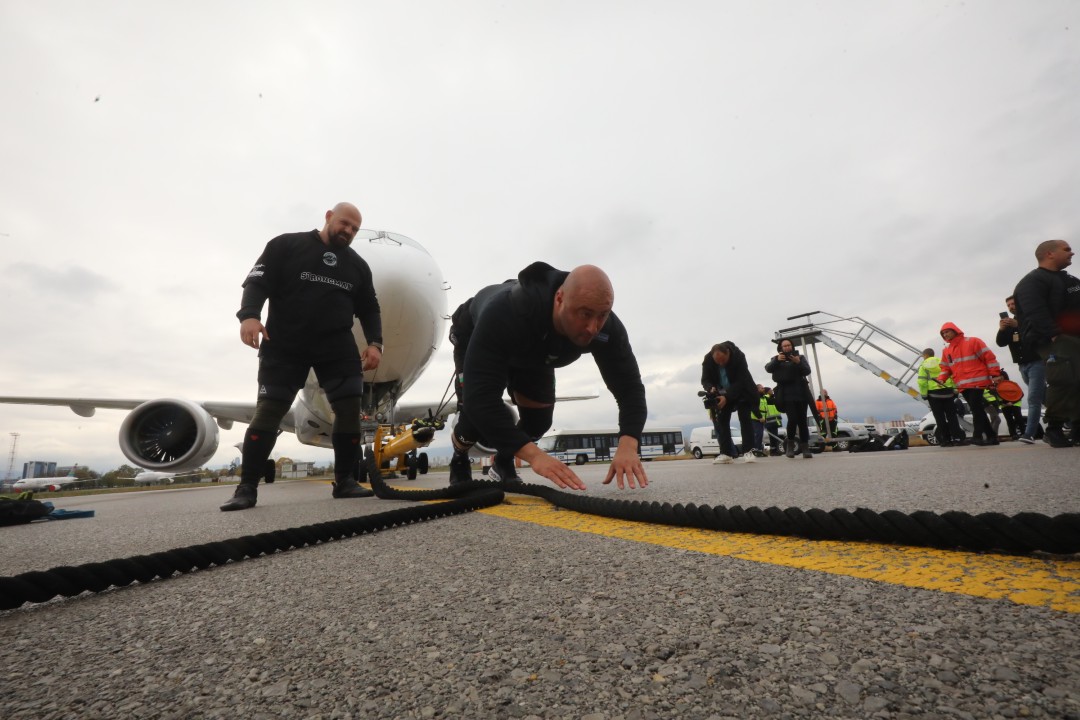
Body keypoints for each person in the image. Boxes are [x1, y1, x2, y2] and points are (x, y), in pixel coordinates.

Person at [220, 202, 384, 511]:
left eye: (354, 229)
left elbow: (370, 308)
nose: (348, 231)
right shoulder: (286, 245)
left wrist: (375, 343)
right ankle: (247, 488)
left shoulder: (358, 266)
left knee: (349, 409)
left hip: (336, 346)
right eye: (344, 223)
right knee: (269, 411)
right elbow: (257, 282)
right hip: (285, 342)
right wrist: (249, 316)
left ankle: (345, 481)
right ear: (328, 217)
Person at [447, 262, 648, 490]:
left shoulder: (607, 329)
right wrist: (535, 456)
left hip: (534, 351)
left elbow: (630, 388)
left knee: (539, 422)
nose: (593, 327)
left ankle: (503, 462)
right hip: (478, 332)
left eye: (602, 315)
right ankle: (459, 457)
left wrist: (629, 444)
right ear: (559, 298)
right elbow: (480, 401)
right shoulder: (506, 313)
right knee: (474, 419)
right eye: (585, 314)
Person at [1013, 239, 1080, 447]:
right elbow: (1035, 312)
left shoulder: (1069, 279)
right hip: (1054, 339)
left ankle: (1077, 428)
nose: (1072, 253)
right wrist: (1054, 335)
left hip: (1074, 337)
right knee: (1063, 380)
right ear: (1050, 254)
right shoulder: (1032, 282)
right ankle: (1054, 429)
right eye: (1066, 249)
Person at [937, 322, 1002, 446]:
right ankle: (992, 437)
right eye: (943, 333)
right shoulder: (946, 350)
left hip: (978, 381)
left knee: (976, 408)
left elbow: (989, 358)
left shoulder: (973, 342)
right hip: (963, 385)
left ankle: (977, 436)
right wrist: (941, 379)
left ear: (955, 331)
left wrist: (995, 374)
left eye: (947, 331)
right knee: (978, 409)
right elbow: (945, 368)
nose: (945, 335)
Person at [996, 295, 1046, 443]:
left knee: (1033, 398)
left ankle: (1028, 434)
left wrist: (1019, 325)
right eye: (1008, 305)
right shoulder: (1010, 326)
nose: (1011, 307)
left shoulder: (1030, 318)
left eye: (1013, 303)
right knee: (1044, 398)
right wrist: (1002, 329)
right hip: (1022, 365)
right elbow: (1000, 343)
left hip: (1036, 362)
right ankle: (1069, 420)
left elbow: (1039, 334)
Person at [701, 342, 759, 464]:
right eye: (718, 362)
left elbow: (741, 380)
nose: (721, 364)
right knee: (722, 421)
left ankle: (748, 451)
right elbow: (705, 379)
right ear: (712, 357)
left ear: (728, 353)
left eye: (723, 360)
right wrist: (710, 387)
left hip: (742, 391)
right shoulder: (708, 360)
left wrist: (727, 396)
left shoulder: (739, 356)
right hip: (721, 392)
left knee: (745, 419)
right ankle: (726, 453)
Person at [764, 339, 814, 458]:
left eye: (789, 345)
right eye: (784, 346)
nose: (787, 347)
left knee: (802, 421)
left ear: (792, 346)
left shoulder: (800, 358)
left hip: (801, 393)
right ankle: (789, 446)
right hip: (786, 394)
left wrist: (798, 362)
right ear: (781, 348)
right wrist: (776, 360)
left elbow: (807, 371)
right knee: (792, 419)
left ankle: (805, 447)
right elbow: (768, 368)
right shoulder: (776, 359)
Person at [917, 348, 965, 446]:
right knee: (952, 417)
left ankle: (945, 440)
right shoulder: (943, 363)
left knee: (940, 418)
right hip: (948, 392)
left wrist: (924, 395)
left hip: (933, 395)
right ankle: (957, 438)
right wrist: (954, 390)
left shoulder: (923, 366)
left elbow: (922, 382)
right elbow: (952, 376)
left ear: (925, 355)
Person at [760, 386, 783, 456]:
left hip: (775, 420)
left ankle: (774, 450)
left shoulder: (772, 398)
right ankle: (773, 451)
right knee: (773, 437)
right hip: (769, 421)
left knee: (774, 436)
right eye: (770, 390)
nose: (772, 391)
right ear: (767, 392)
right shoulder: (766, 398)